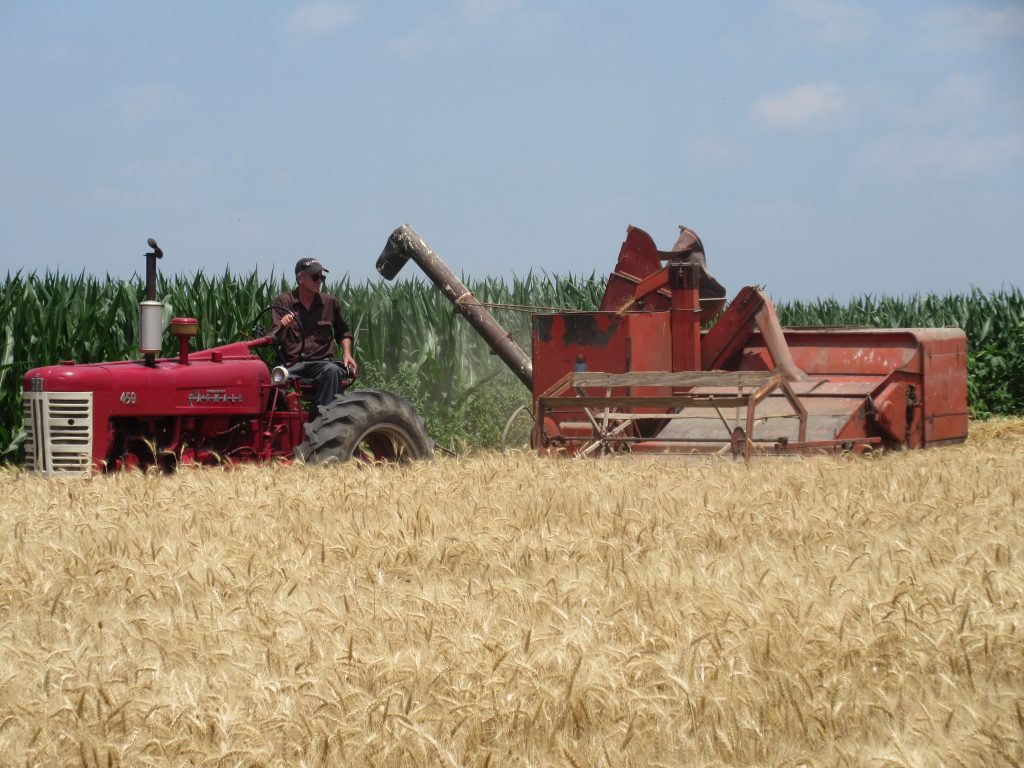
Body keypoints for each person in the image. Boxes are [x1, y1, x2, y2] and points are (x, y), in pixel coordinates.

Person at [271, 257, 357, 411]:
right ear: (300, 278)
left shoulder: (329, 303)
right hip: (292, 363)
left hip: (321, 362)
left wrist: (347, 353)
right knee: (272, 378)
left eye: (322, 277)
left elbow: (343, 332)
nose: (319, 281)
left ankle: (323, 420)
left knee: (332, 371)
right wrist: (283, 326)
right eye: (315, 277)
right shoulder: (283, 302)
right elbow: (274, 339)